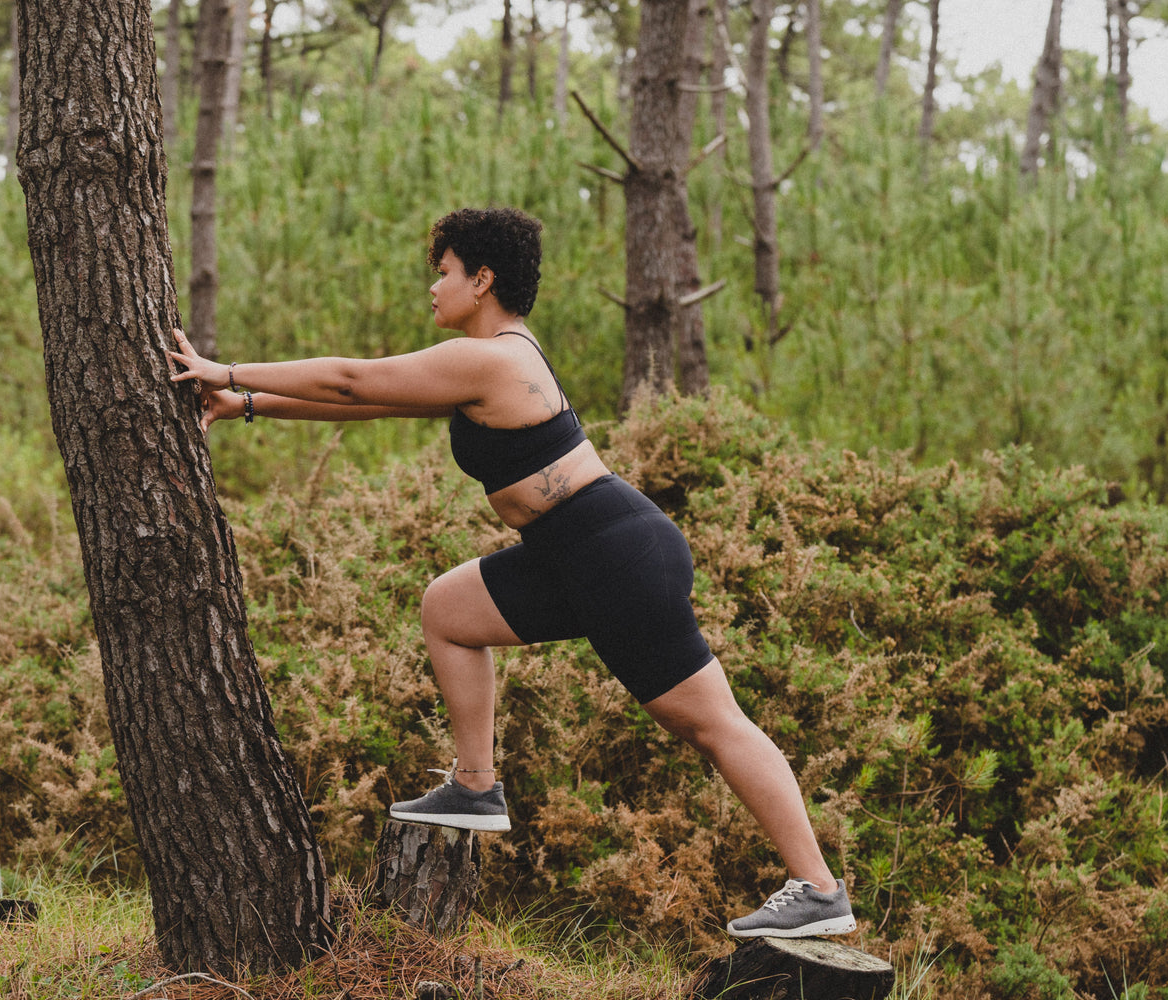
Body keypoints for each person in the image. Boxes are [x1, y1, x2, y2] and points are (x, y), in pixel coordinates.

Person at [167, 206, 855, 939]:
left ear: (482, 279)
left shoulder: (495, 358)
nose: (434, 287)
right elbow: (377, 403)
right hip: (572, 554)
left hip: (616, 556)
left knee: (712, 724)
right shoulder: (486, 359)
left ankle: (818, 888)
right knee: (450, 610)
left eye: (444, 272)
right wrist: (247, 404)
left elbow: (350, 379)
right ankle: (475, 787)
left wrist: (225, 369)